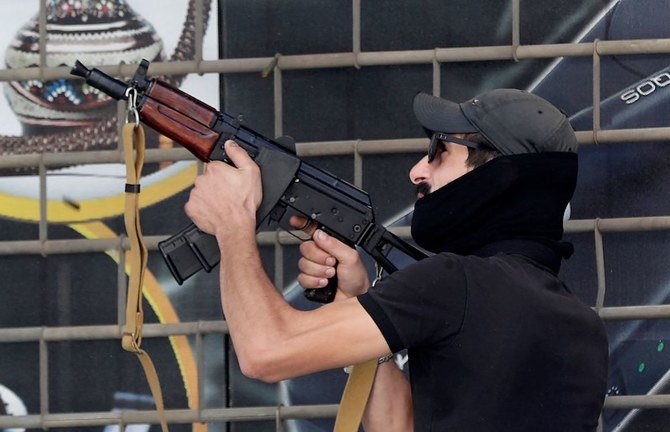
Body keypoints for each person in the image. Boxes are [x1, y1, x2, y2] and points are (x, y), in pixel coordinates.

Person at [184, 88, 609, 431]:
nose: (417, 171)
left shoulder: (455, 283)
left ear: (497, 174)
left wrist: (233, 223)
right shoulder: (582, 326)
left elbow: (265, 351)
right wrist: (355, 301)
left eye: (440, 151)